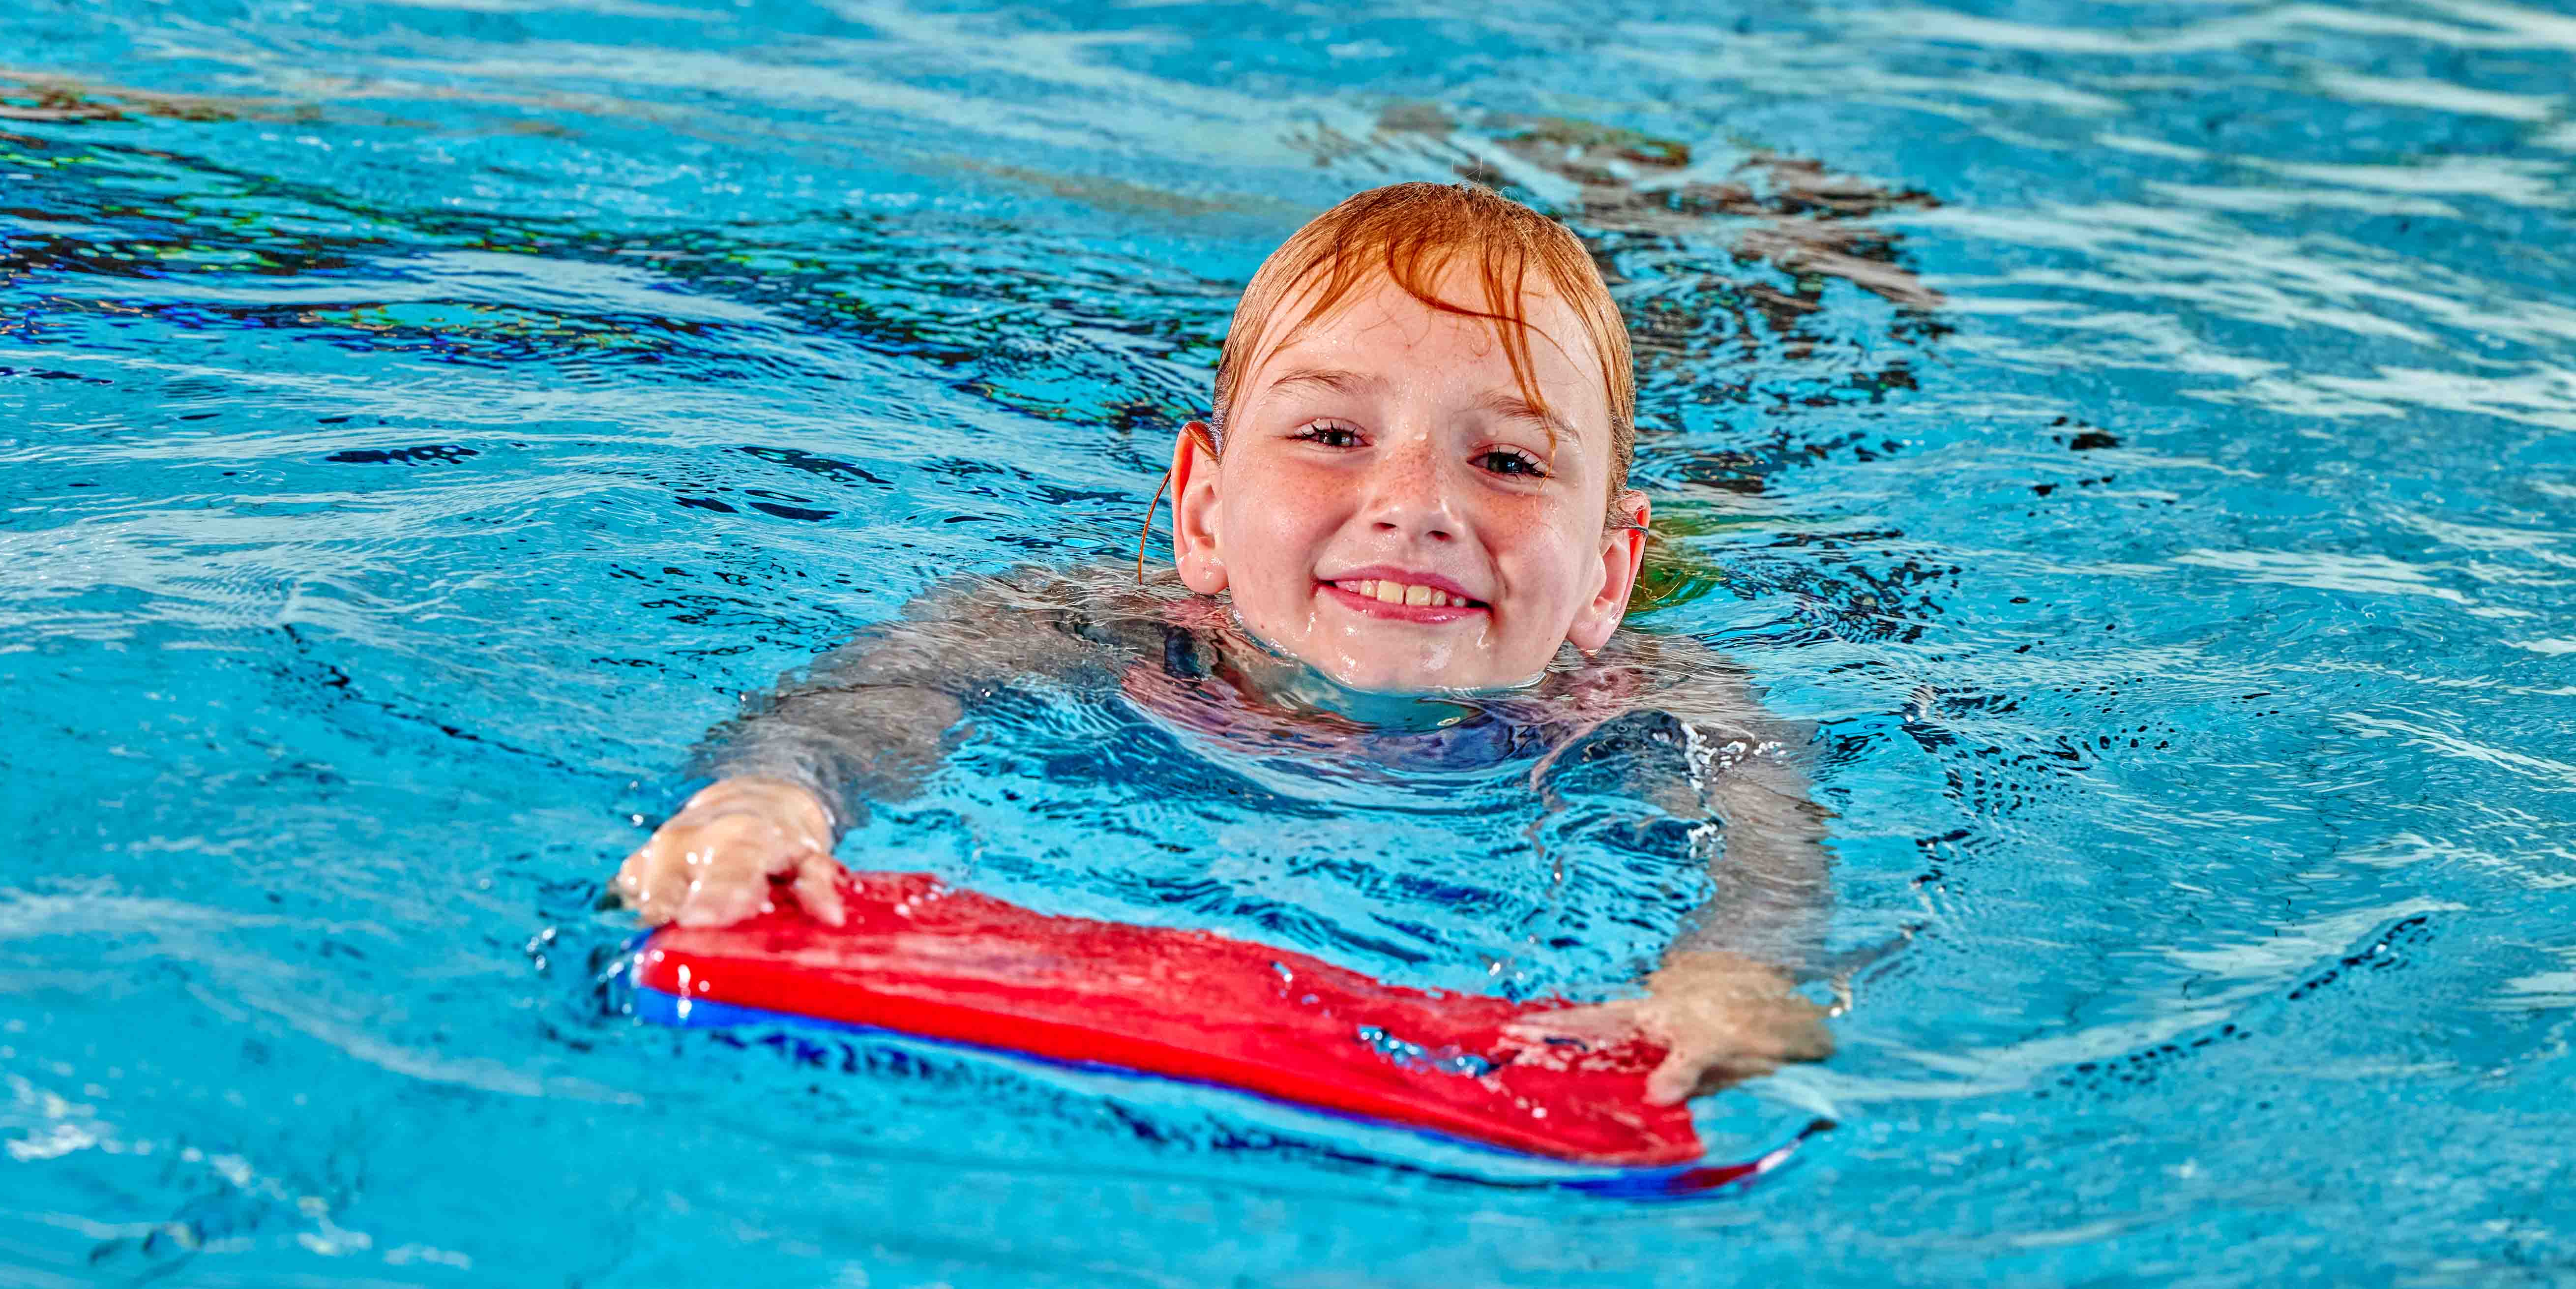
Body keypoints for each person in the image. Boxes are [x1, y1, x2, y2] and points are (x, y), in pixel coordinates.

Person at [612, 182, 1831, 1104]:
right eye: (1331, 436)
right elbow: (874, 701)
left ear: (1607, 577)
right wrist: (765, 804)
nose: (1417, 505)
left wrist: (1731, 982)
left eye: (1507, 460)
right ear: (1202, 512)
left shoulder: (1665, 709)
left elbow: (1770, 873)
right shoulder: (1089, 630)